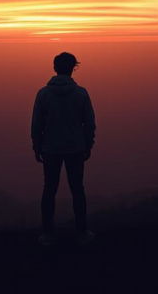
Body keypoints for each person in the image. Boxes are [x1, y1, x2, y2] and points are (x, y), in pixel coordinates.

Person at [31, 52, 96, 246]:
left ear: (54, 67)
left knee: (49, 189)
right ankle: (82, 232)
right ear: (73, 68)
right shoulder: (81, 93)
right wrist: (88, 144)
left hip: (50, 148)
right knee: (77, 189)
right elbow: (89, 123)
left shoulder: (43, 94)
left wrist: (37, 145)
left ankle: (47, 234)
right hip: (76, 148)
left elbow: (36, 124)